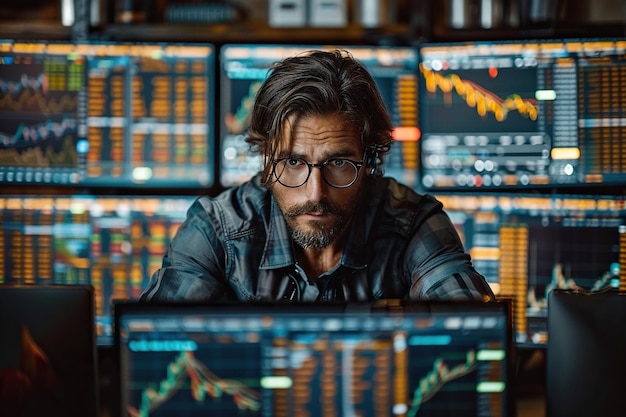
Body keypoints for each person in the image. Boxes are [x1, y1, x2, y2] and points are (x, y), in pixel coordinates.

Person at [139, 49, 495, 303]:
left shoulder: (412, 223)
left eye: (339, 163)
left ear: (369, 161)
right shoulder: (217, 228)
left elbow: (478, 341)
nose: (315, 192)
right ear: (266, 161)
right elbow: (150, 353)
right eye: (293, 162)